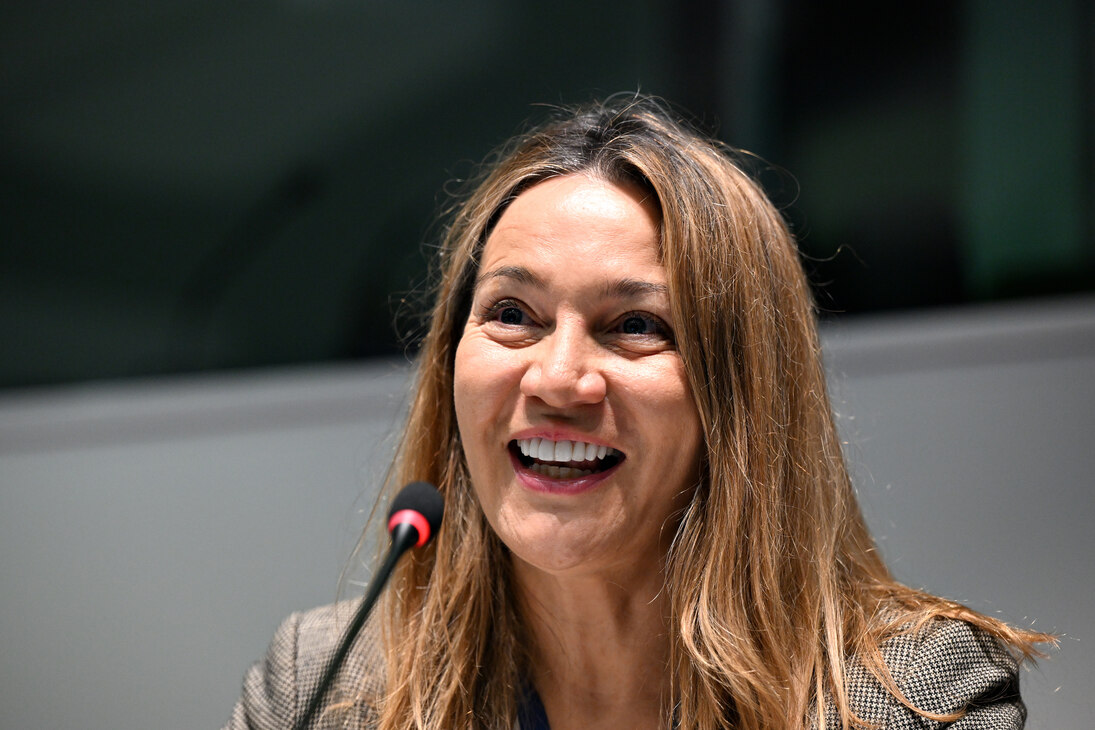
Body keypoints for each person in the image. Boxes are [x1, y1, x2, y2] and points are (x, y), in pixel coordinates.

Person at [225, 95, 1051, 730]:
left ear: (741, 393)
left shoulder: (919, 697)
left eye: (636, 327)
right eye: (512, 314)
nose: (557, 378)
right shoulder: (324, 685)